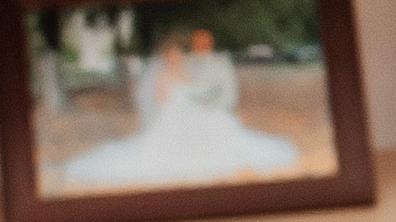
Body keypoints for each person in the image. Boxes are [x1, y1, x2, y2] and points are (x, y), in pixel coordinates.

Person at [55, 23, 301, 191]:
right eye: (173, 56)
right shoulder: (162, 77)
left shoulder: (186, 71)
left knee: (222, 126)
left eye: (179, 55)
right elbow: (161, 102)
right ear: (166, 58)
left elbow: (199, 91)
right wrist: (171, 115)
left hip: (195, 112)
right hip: (173, 117)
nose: (178, 59)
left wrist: (210, 103)